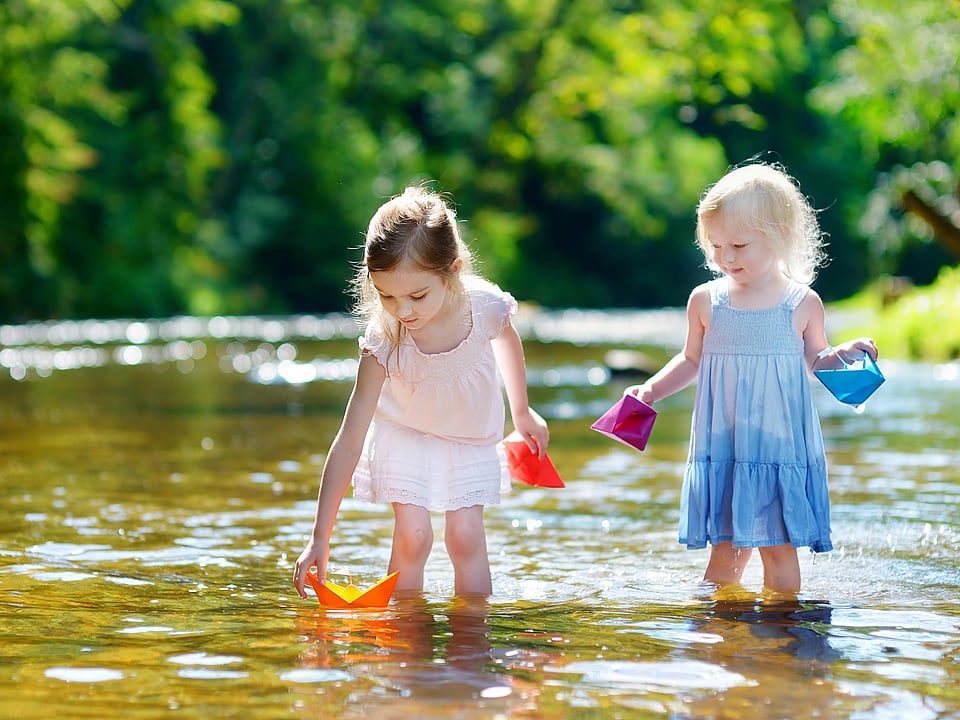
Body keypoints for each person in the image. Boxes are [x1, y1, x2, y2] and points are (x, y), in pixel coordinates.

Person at [624, 161, 878, 594]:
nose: (725, 257)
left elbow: (816, 359)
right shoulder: (706, 301)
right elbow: (691, 360)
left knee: (779, 548)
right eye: (716, 245)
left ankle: (783, 635)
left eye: (739, 245)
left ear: (779, 237)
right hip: (725, 446)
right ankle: (720, 634)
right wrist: (650, 389)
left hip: (777, 450)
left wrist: (844, 355)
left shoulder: (801, 303)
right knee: (724, 548)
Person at [293, 186, 549, 598]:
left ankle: (471, 640)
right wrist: (319, 537)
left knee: (465, 536)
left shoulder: (482, 306)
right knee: (415, 535)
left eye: (417, 296)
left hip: (468, 436)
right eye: (387, 296)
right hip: (405, 435)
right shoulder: (385, 338)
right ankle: (405, 636)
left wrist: (522, 412)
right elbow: (349, 440)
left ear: (453, 269)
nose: (404, 311)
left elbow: (508, 340)